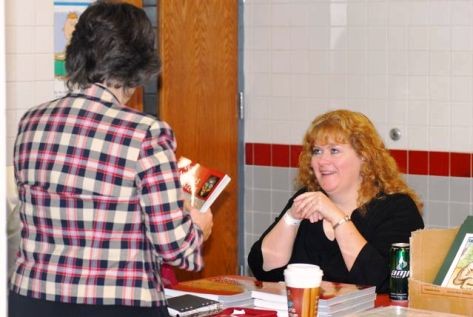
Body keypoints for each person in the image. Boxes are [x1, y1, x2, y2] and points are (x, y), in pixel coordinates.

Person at [9, 2, 213, 317]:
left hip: (31, 299)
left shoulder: (31, 122)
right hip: (115, 304)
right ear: (140, 63)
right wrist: (198, 226)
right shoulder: (145, 132)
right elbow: (175, 248)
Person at [247, 109, 424, 293]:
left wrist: (336, 216)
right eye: (317, 151)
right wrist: (292, 218)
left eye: (334, 150)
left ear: (364, 155)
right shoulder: (307, 197)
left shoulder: (398, 208)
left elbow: (378, 283)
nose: (322, 160)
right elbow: (263, 269)